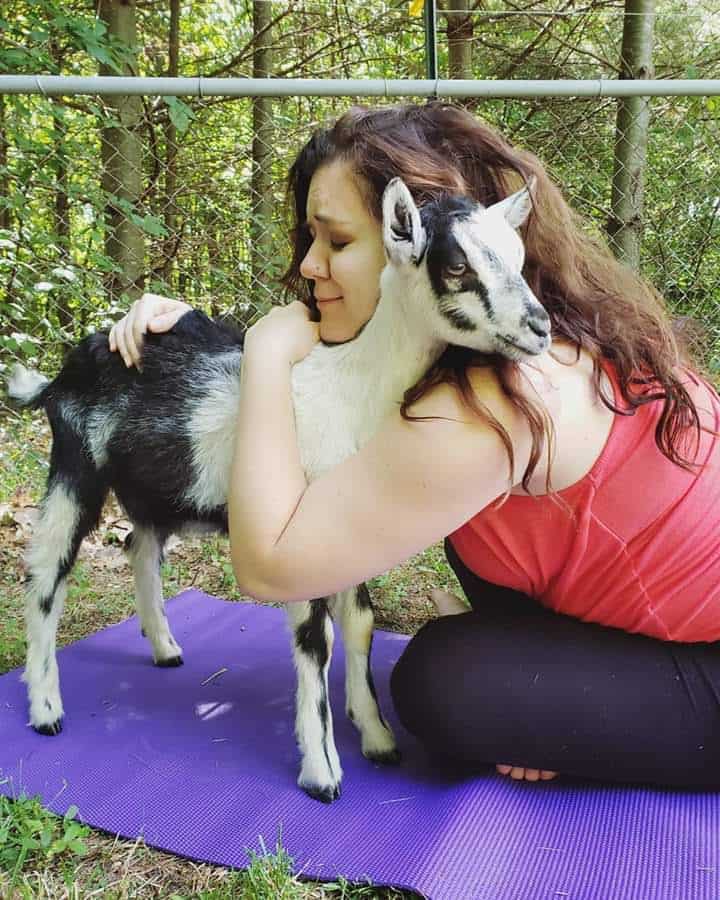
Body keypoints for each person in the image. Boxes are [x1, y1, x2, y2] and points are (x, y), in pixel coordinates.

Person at [109, 102, 720, 790]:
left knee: (442, 684)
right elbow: (339, 378)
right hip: (616, 623)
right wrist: (187, 332)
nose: (309, 263)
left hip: (708, 664)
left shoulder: (486, 404)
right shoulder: (506, 332)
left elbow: (272, 566)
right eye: (309, 237)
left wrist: (263, 358)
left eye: (336, 241)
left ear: (413, 243)